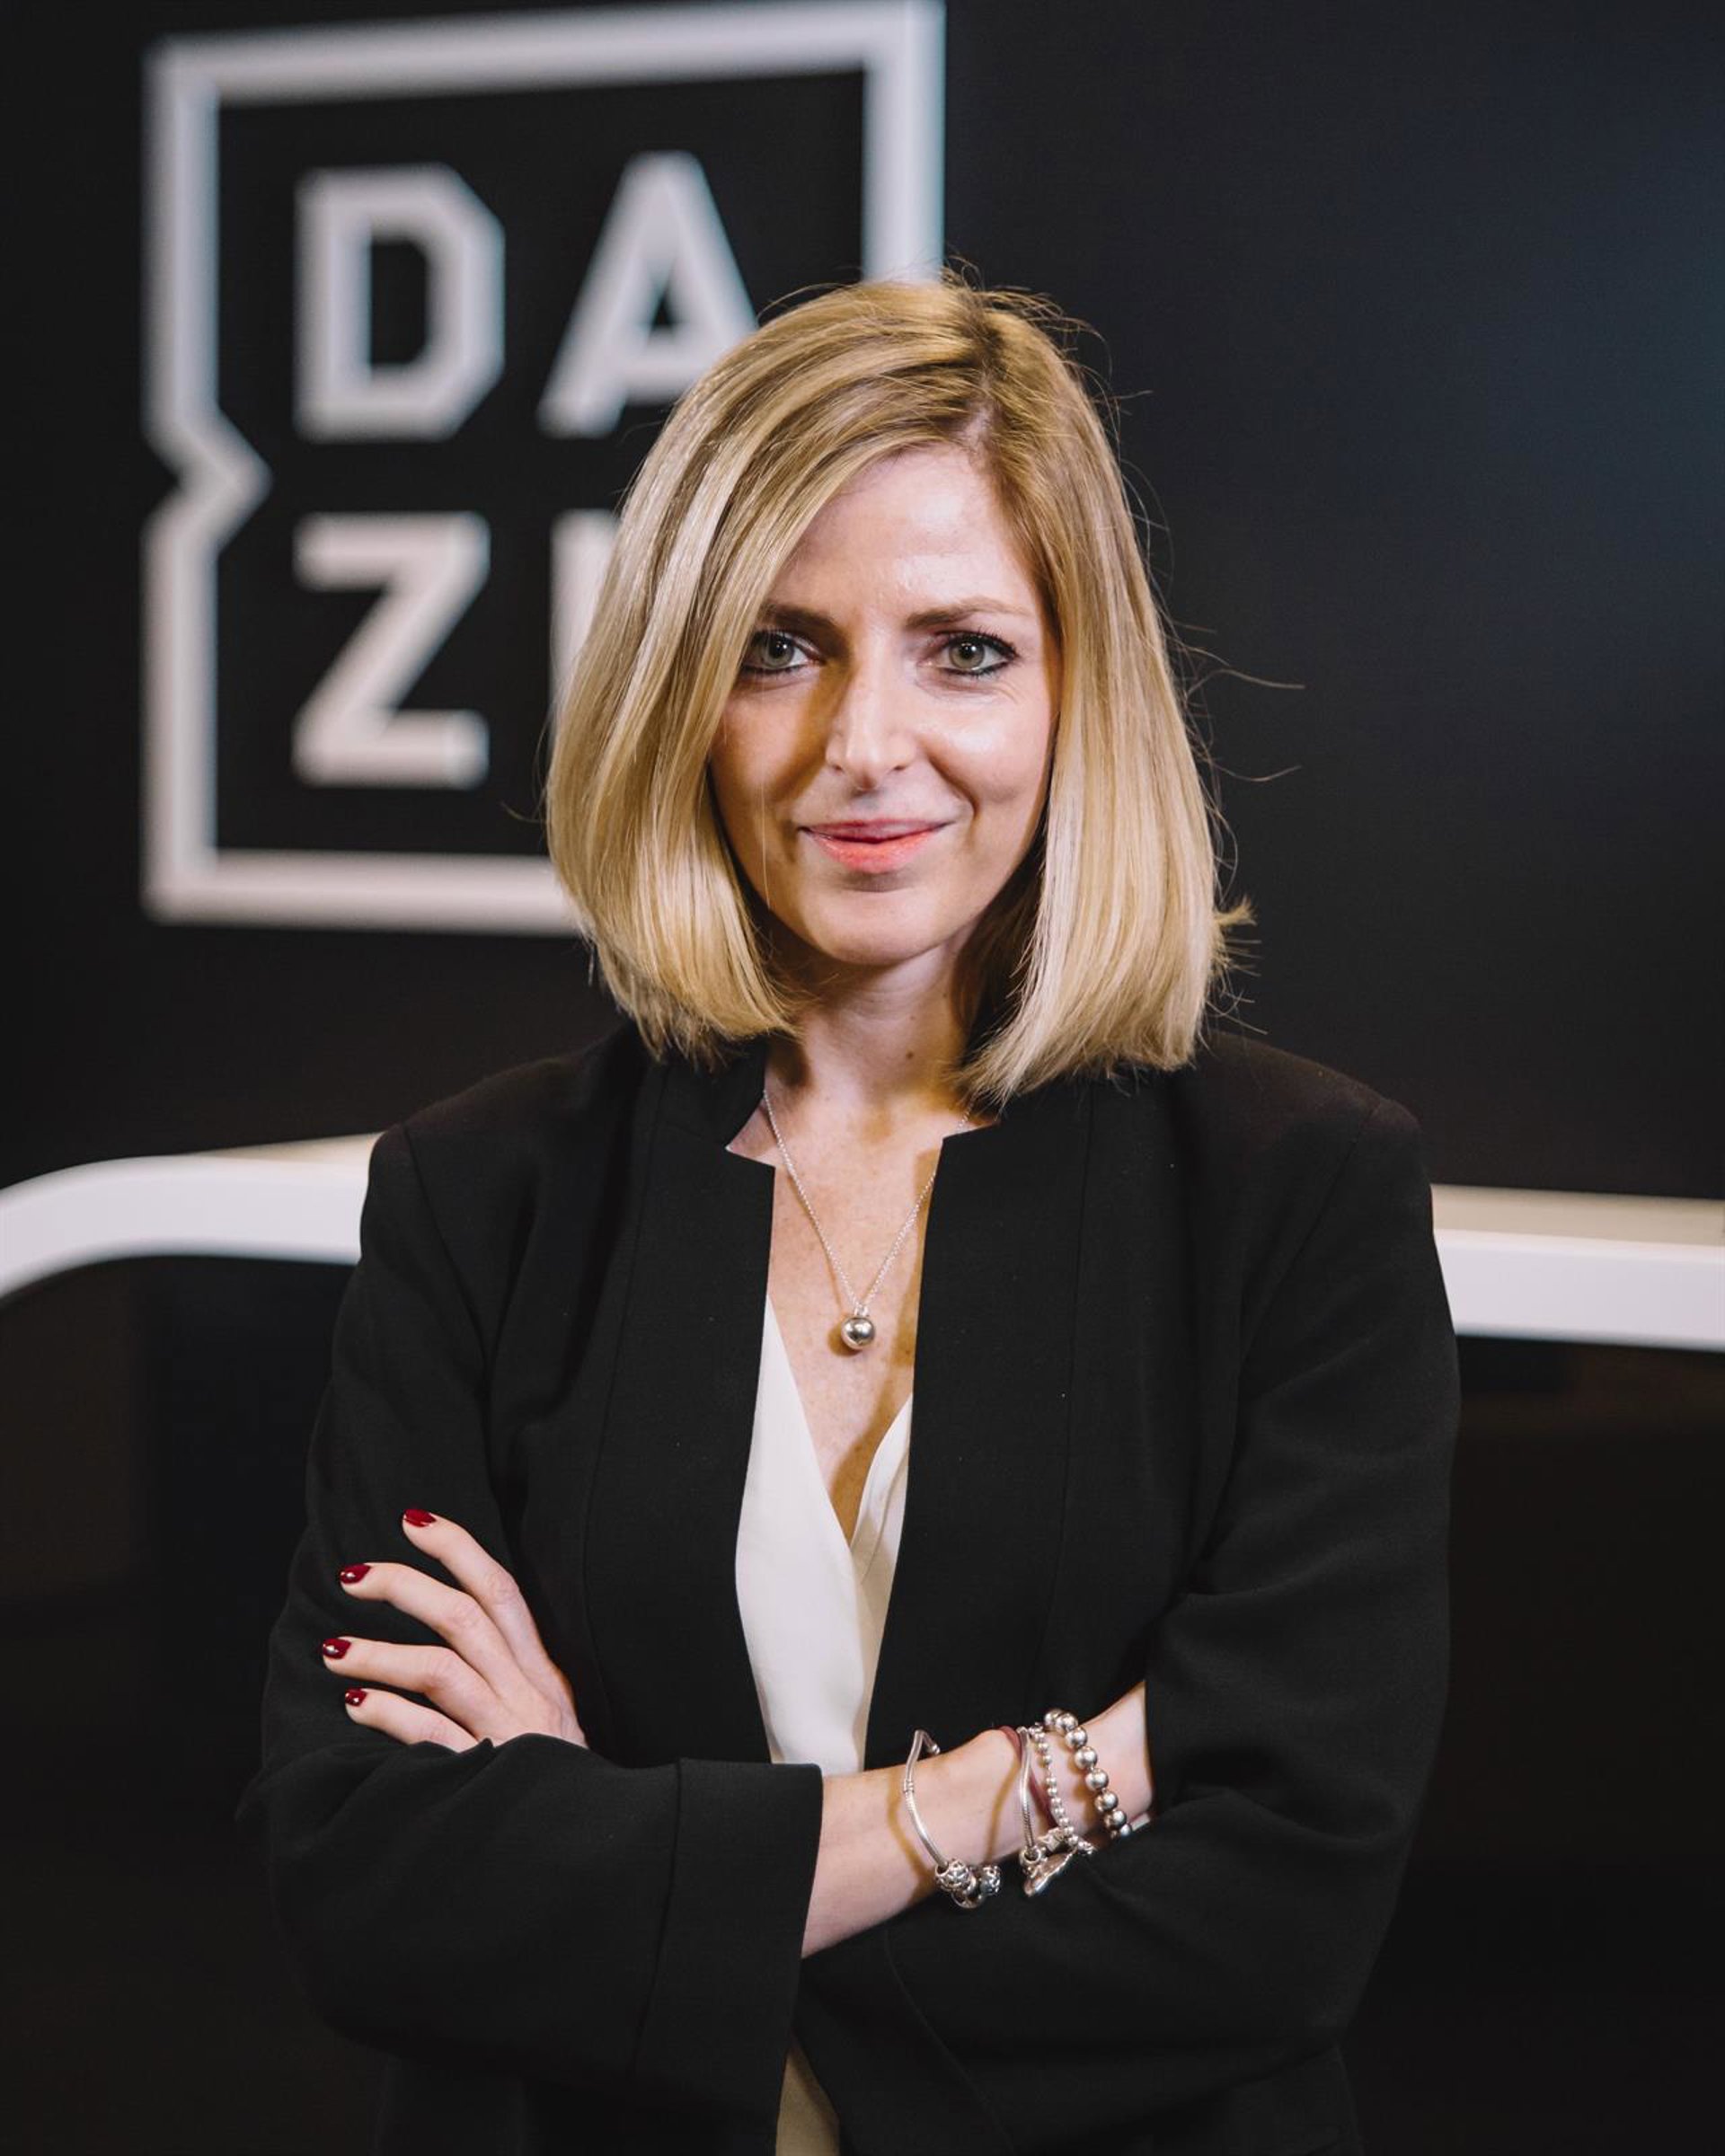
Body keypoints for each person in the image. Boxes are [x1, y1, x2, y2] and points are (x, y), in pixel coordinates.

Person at [237, 271, 1458, 2156]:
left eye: (962, 650)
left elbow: (1277, 1924)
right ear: (676, 695)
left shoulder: (1299, 1192)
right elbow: (374, 1890)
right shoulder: (479, 1198)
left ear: (1077, 689)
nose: (863, 744)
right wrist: (1024, 1790)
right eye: (780, 648)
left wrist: (616, 1869)